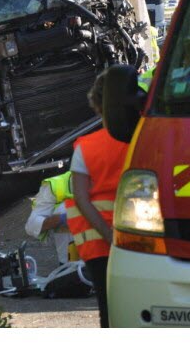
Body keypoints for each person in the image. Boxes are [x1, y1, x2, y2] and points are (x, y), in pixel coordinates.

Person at [66, 70, 130, 328]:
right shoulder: (143, 139)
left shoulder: (86, 147)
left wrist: (109, 235)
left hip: (100, 244)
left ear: (96, 105)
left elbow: (81, 198)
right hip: (145, 239)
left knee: (109, 309)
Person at [25, 170, 74, 264]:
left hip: (101, 252)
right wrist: (62, 219)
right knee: (65, 208)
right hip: (71, 259)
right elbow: (31, 226)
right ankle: (68, 265)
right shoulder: (56, 186)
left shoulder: (102, 180)